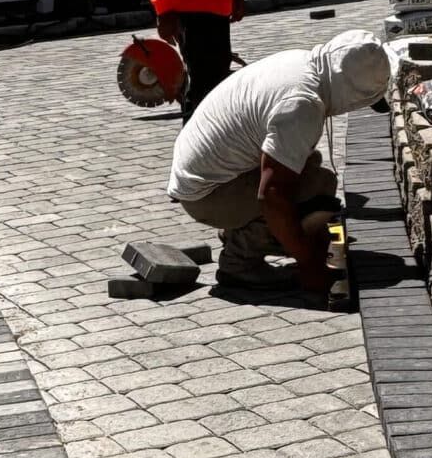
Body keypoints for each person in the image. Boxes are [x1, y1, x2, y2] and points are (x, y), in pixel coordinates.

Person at [166, 29, 392, 288]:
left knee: (306, 163)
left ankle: (248, 233)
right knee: (314, 185)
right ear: (352, 94)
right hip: (206, 194)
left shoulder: (302, 63)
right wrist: (310, 263)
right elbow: (272, 195)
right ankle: (239, 262)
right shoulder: (302, 104)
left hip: (202, 176)